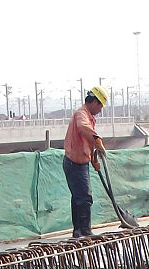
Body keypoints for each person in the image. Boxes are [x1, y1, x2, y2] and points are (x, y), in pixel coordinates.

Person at [62, 86, 108, 238]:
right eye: (100, 106)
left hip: (79, 162)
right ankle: (85, 230)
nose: (100, 110)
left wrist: (93, 159)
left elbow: (85, 142)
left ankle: (78, 231)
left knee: (78, 197)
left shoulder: (88, 116)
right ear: (94, 101)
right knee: (84, 197)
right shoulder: (81, 114)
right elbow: (83, 128)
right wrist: (97, 140)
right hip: (74, 163)